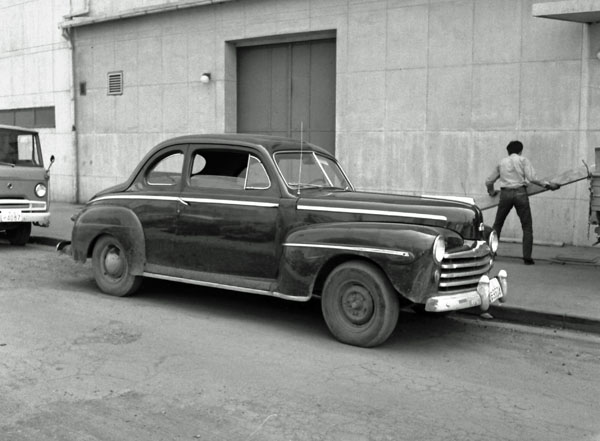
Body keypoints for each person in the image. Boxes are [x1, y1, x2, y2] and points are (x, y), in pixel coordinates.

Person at [485, 140, 560, 265]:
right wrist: (548, 185)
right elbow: (532, 178)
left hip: (505, 194)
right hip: (520, 193)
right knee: (526, 226)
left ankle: (491, 253)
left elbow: (489, 181)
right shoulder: (523, 160)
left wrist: (492, 192)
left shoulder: (501, 163)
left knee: (498, 224)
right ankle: (527, 258)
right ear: (520, 151)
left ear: (508, 151)